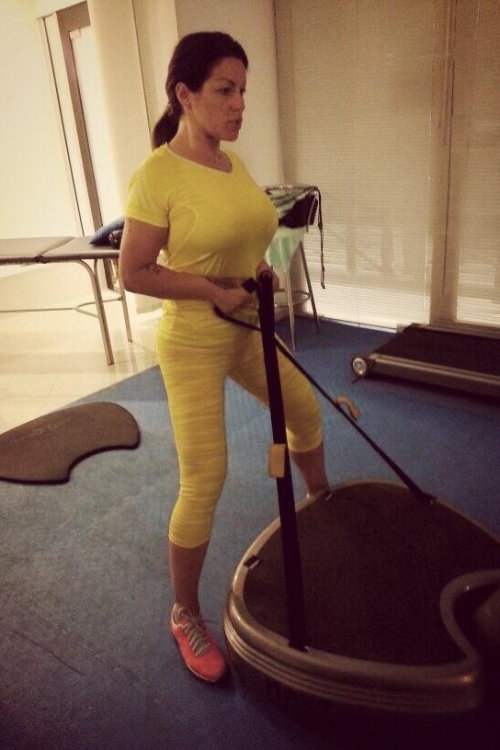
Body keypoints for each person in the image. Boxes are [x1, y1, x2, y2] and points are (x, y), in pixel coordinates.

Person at [119, 31, 331, 684]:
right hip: (193, 342)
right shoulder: (157, 175)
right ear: (185, 94)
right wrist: (212, 290)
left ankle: (323, 508)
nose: (240, 104)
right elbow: (134, 272)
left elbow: (246, 237)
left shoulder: (232, 164)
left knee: (305, 411)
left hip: (246, 328)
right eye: (225, 91)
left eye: (243, 91)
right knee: (205, 478)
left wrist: (257, 271)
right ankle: (184, 613)